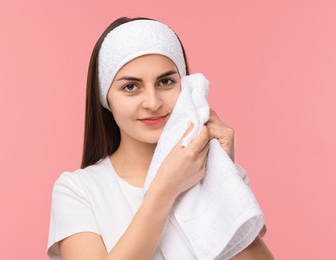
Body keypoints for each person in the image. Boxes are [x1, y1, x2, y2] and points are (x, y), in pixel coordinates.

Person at [47, 17, 273, 259]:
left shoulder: (220, 173)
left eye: (166, 82)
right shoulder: (77, 190)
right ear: (106, 99)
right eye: (131, 87)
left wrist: (218, 179)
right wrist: (165, 189)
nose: (153, 103)